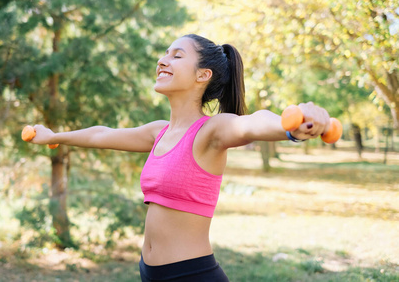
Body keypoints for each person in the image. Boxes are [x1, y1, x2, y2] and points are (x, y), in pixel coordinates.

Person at [29, 34, 330, 281]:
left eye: (176, 55)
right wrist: (54, 136)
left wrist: (294, 125)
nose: (163, 60)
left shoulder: (211, 132)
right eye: (164, 53)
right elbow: (101, 135)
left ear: (203, 75)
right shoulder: (159, 132)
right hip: (151, 273)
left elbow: (251, 123)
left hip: (190, 275)